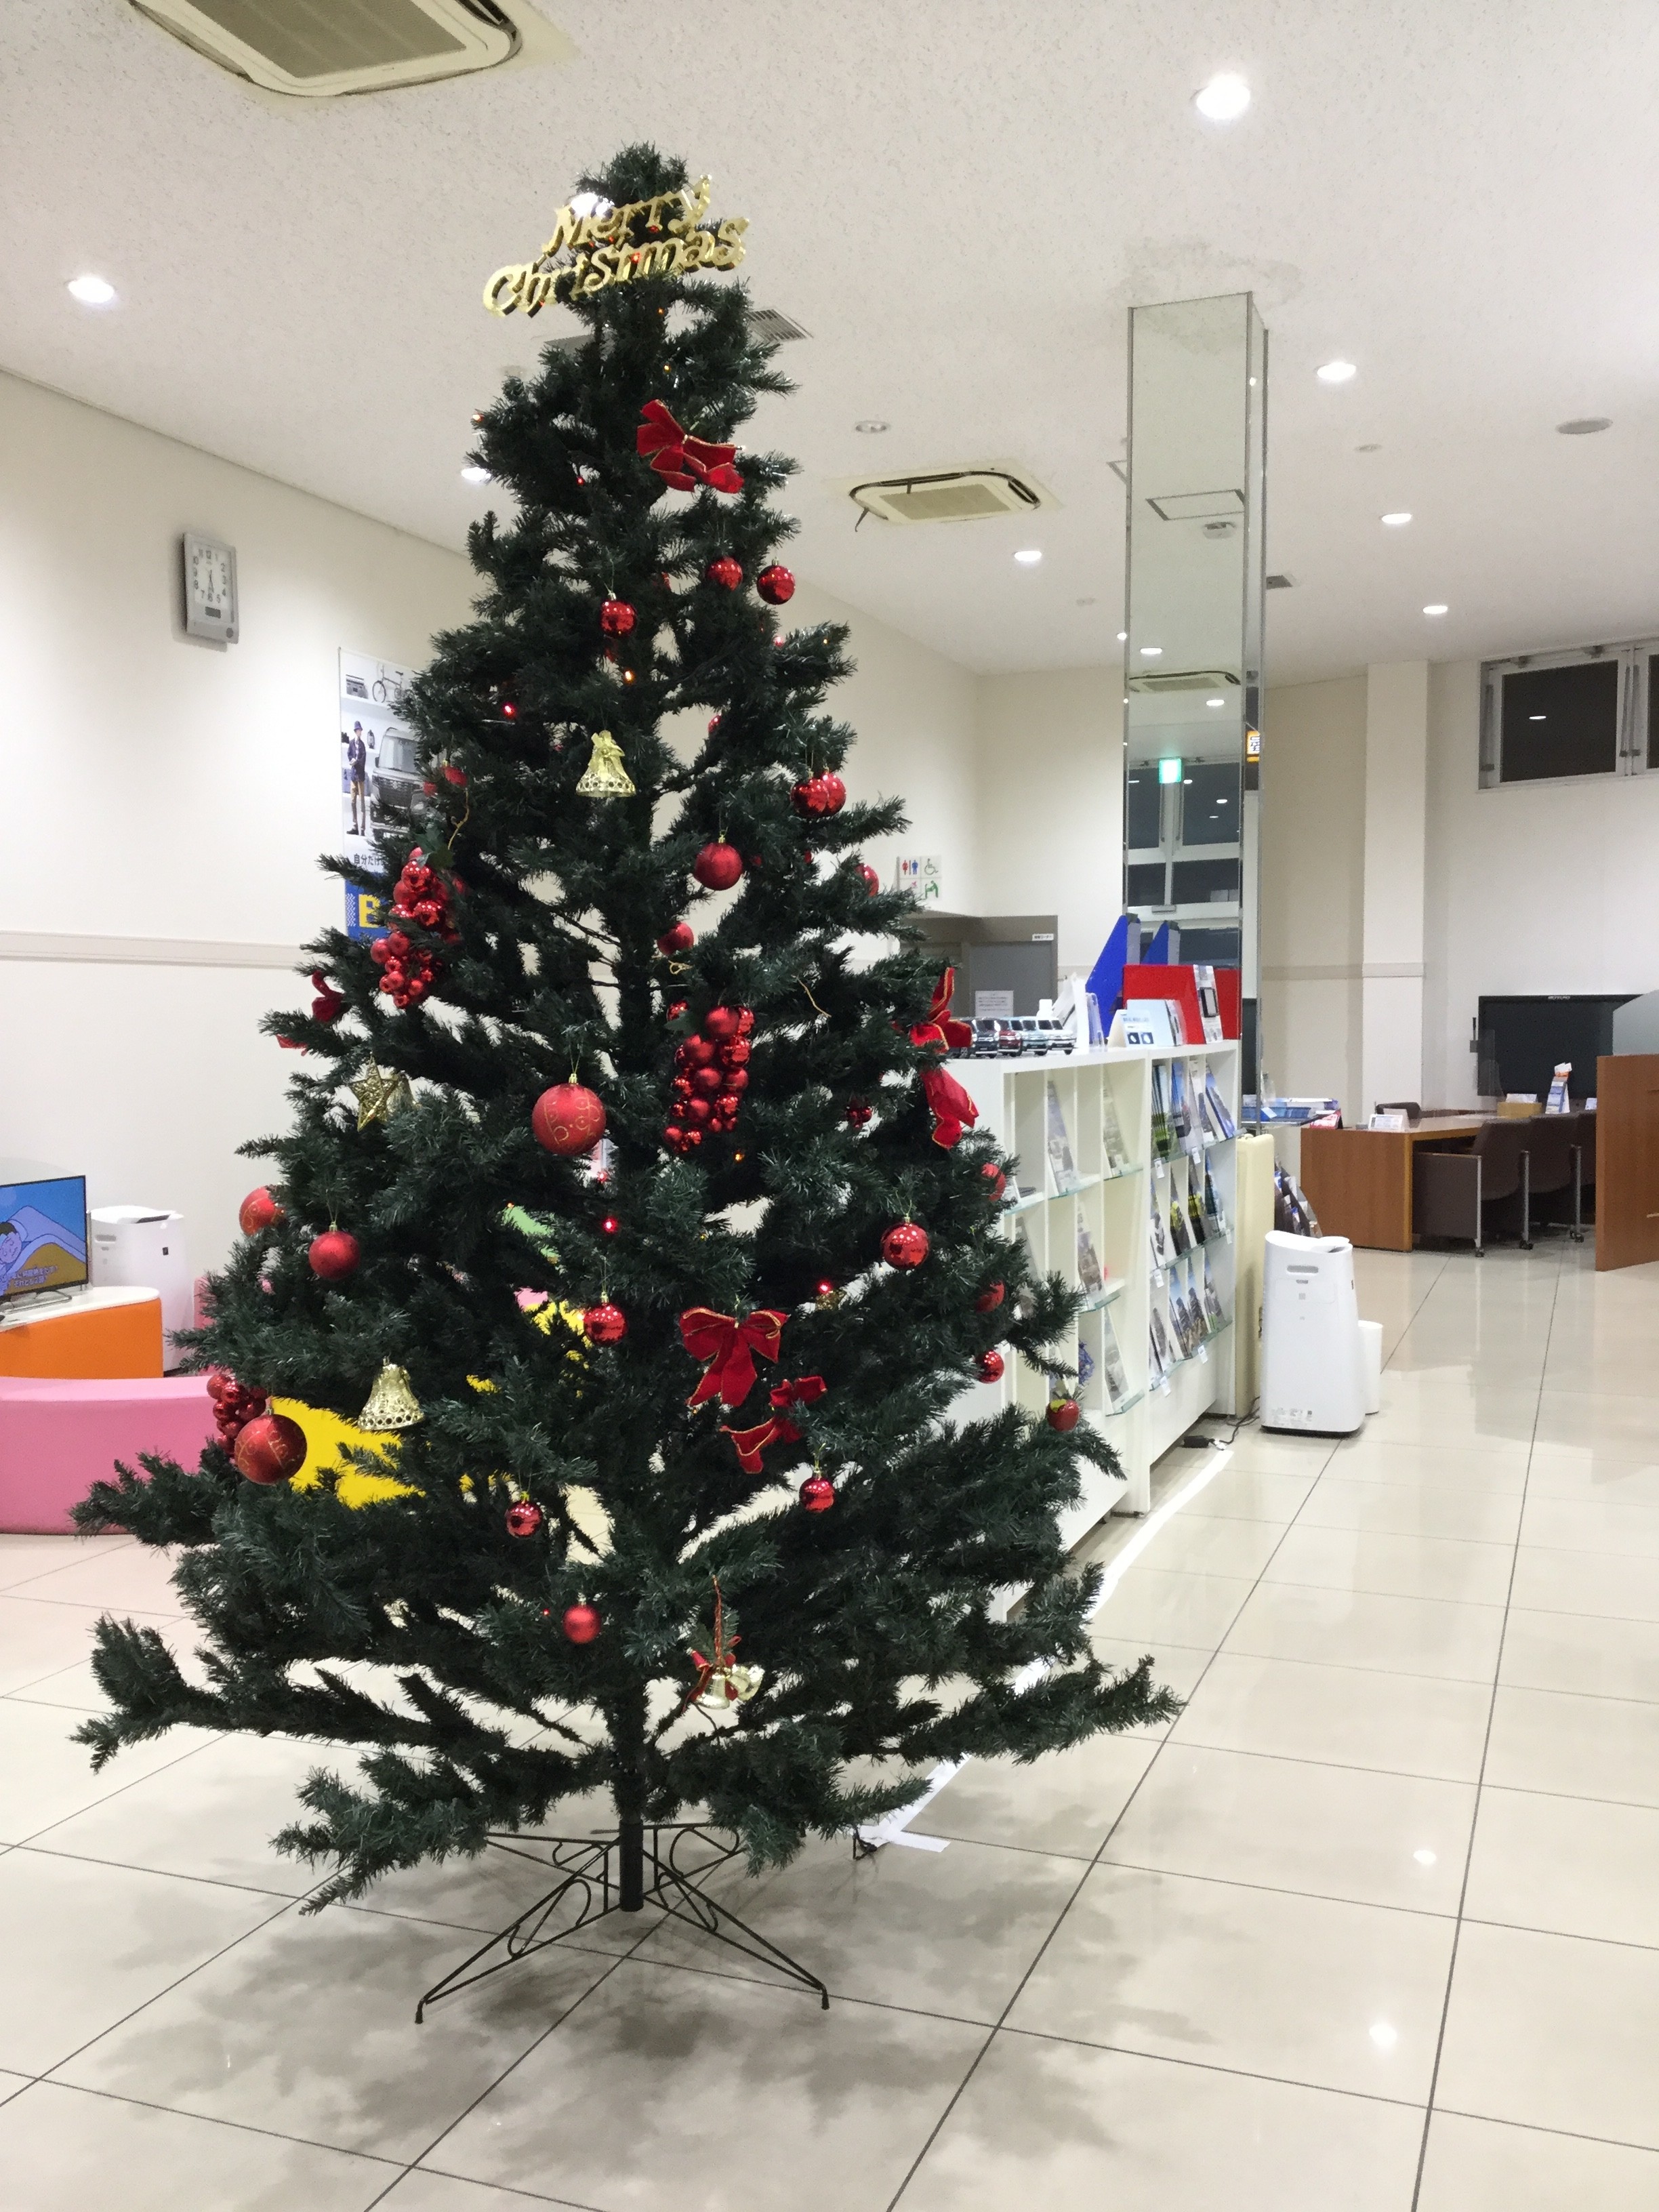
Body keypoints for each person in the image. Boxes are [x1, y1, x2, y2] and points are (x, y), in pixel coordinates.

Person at [345, 722, 368, 835]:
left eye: (360, 730)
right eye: (358, 730)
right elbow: (349, 754)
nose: (360, 732)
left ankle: (363, 829)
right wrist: (352, 760)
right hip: (354, 776)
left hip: (360, 777)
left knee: (362, 803)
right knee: (353, 802)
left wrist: (356, 762)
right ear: (356, 731)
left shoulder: (362, 745)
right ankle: (355, 826)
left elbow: (363, 760)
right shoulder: (351, 743)